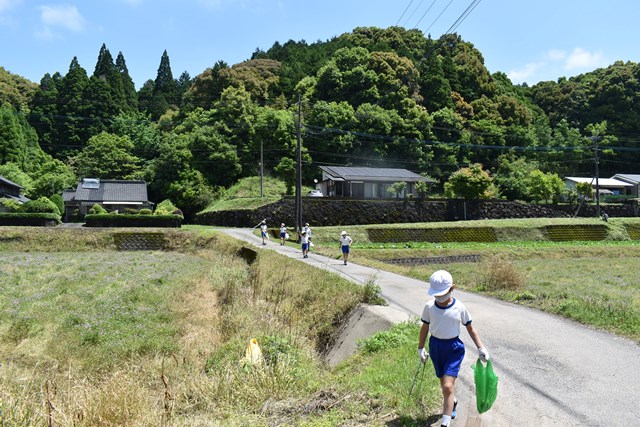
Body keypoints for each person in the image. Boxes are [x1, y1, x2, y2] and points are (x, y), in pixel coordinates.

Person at [418, 270, 489, 427]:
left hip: (453, 349)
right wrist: (420, 348)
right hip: (436, 346)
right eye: (437, 294)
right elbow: (425, 327)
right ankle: (452, 402)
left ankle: (445, 422)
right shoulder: (429, 307)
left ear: (453, 288)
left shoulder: (459, 307)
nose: (439, 298)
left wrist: (481, 347)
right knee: (443, 381)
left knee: (448, 385)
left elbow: (470, 328)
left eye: (442, 293)